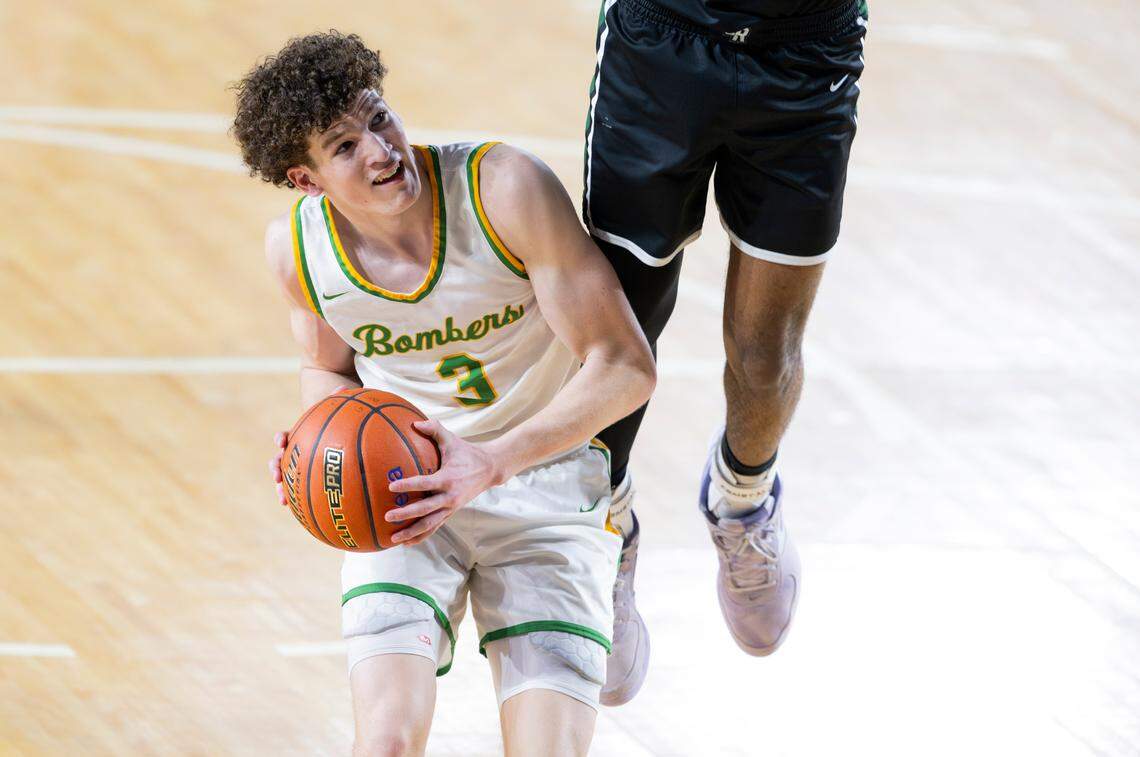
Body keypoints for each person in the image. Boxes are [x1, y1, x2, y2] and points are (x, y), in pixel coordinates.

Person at [233, 32, 656, 756]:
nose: (379, 150)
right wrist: (315, 444)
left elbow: (625, 366)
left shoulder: (503, 190)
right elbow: (328, 370)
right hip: (406, 494)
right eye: (343, 146)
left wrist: (488, 462)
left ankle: (615, 542)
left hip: (542, 482)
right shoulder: (298, 251)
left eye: (379, 117)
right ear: (306, 180)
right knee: (387, 743)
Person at [582, 0, 869, 703]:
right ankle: (605, 530)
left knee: (767, 353)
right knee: (622, 328)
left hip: (808, 54)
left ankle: (743, 499)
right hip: (663, 42)